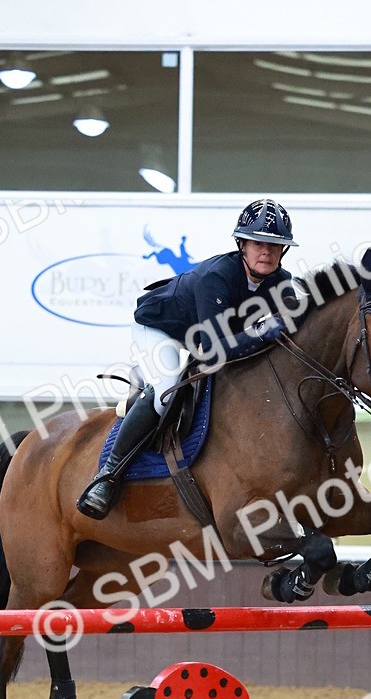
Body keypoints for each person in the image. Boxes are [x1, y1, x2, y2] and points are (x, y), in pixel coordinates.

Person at [77, 198, 298, 520]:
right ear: (242, 245)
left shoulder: (281, 282)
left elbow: (293, 330)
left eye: (275, 245)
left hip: (201, 334)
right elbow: (213, 350)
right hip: (160, 327)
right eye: (258, 243)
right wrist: (264, 333)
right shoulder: (218, 276)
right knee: (167, 389)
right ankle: (107, 477)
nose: (267, 251)